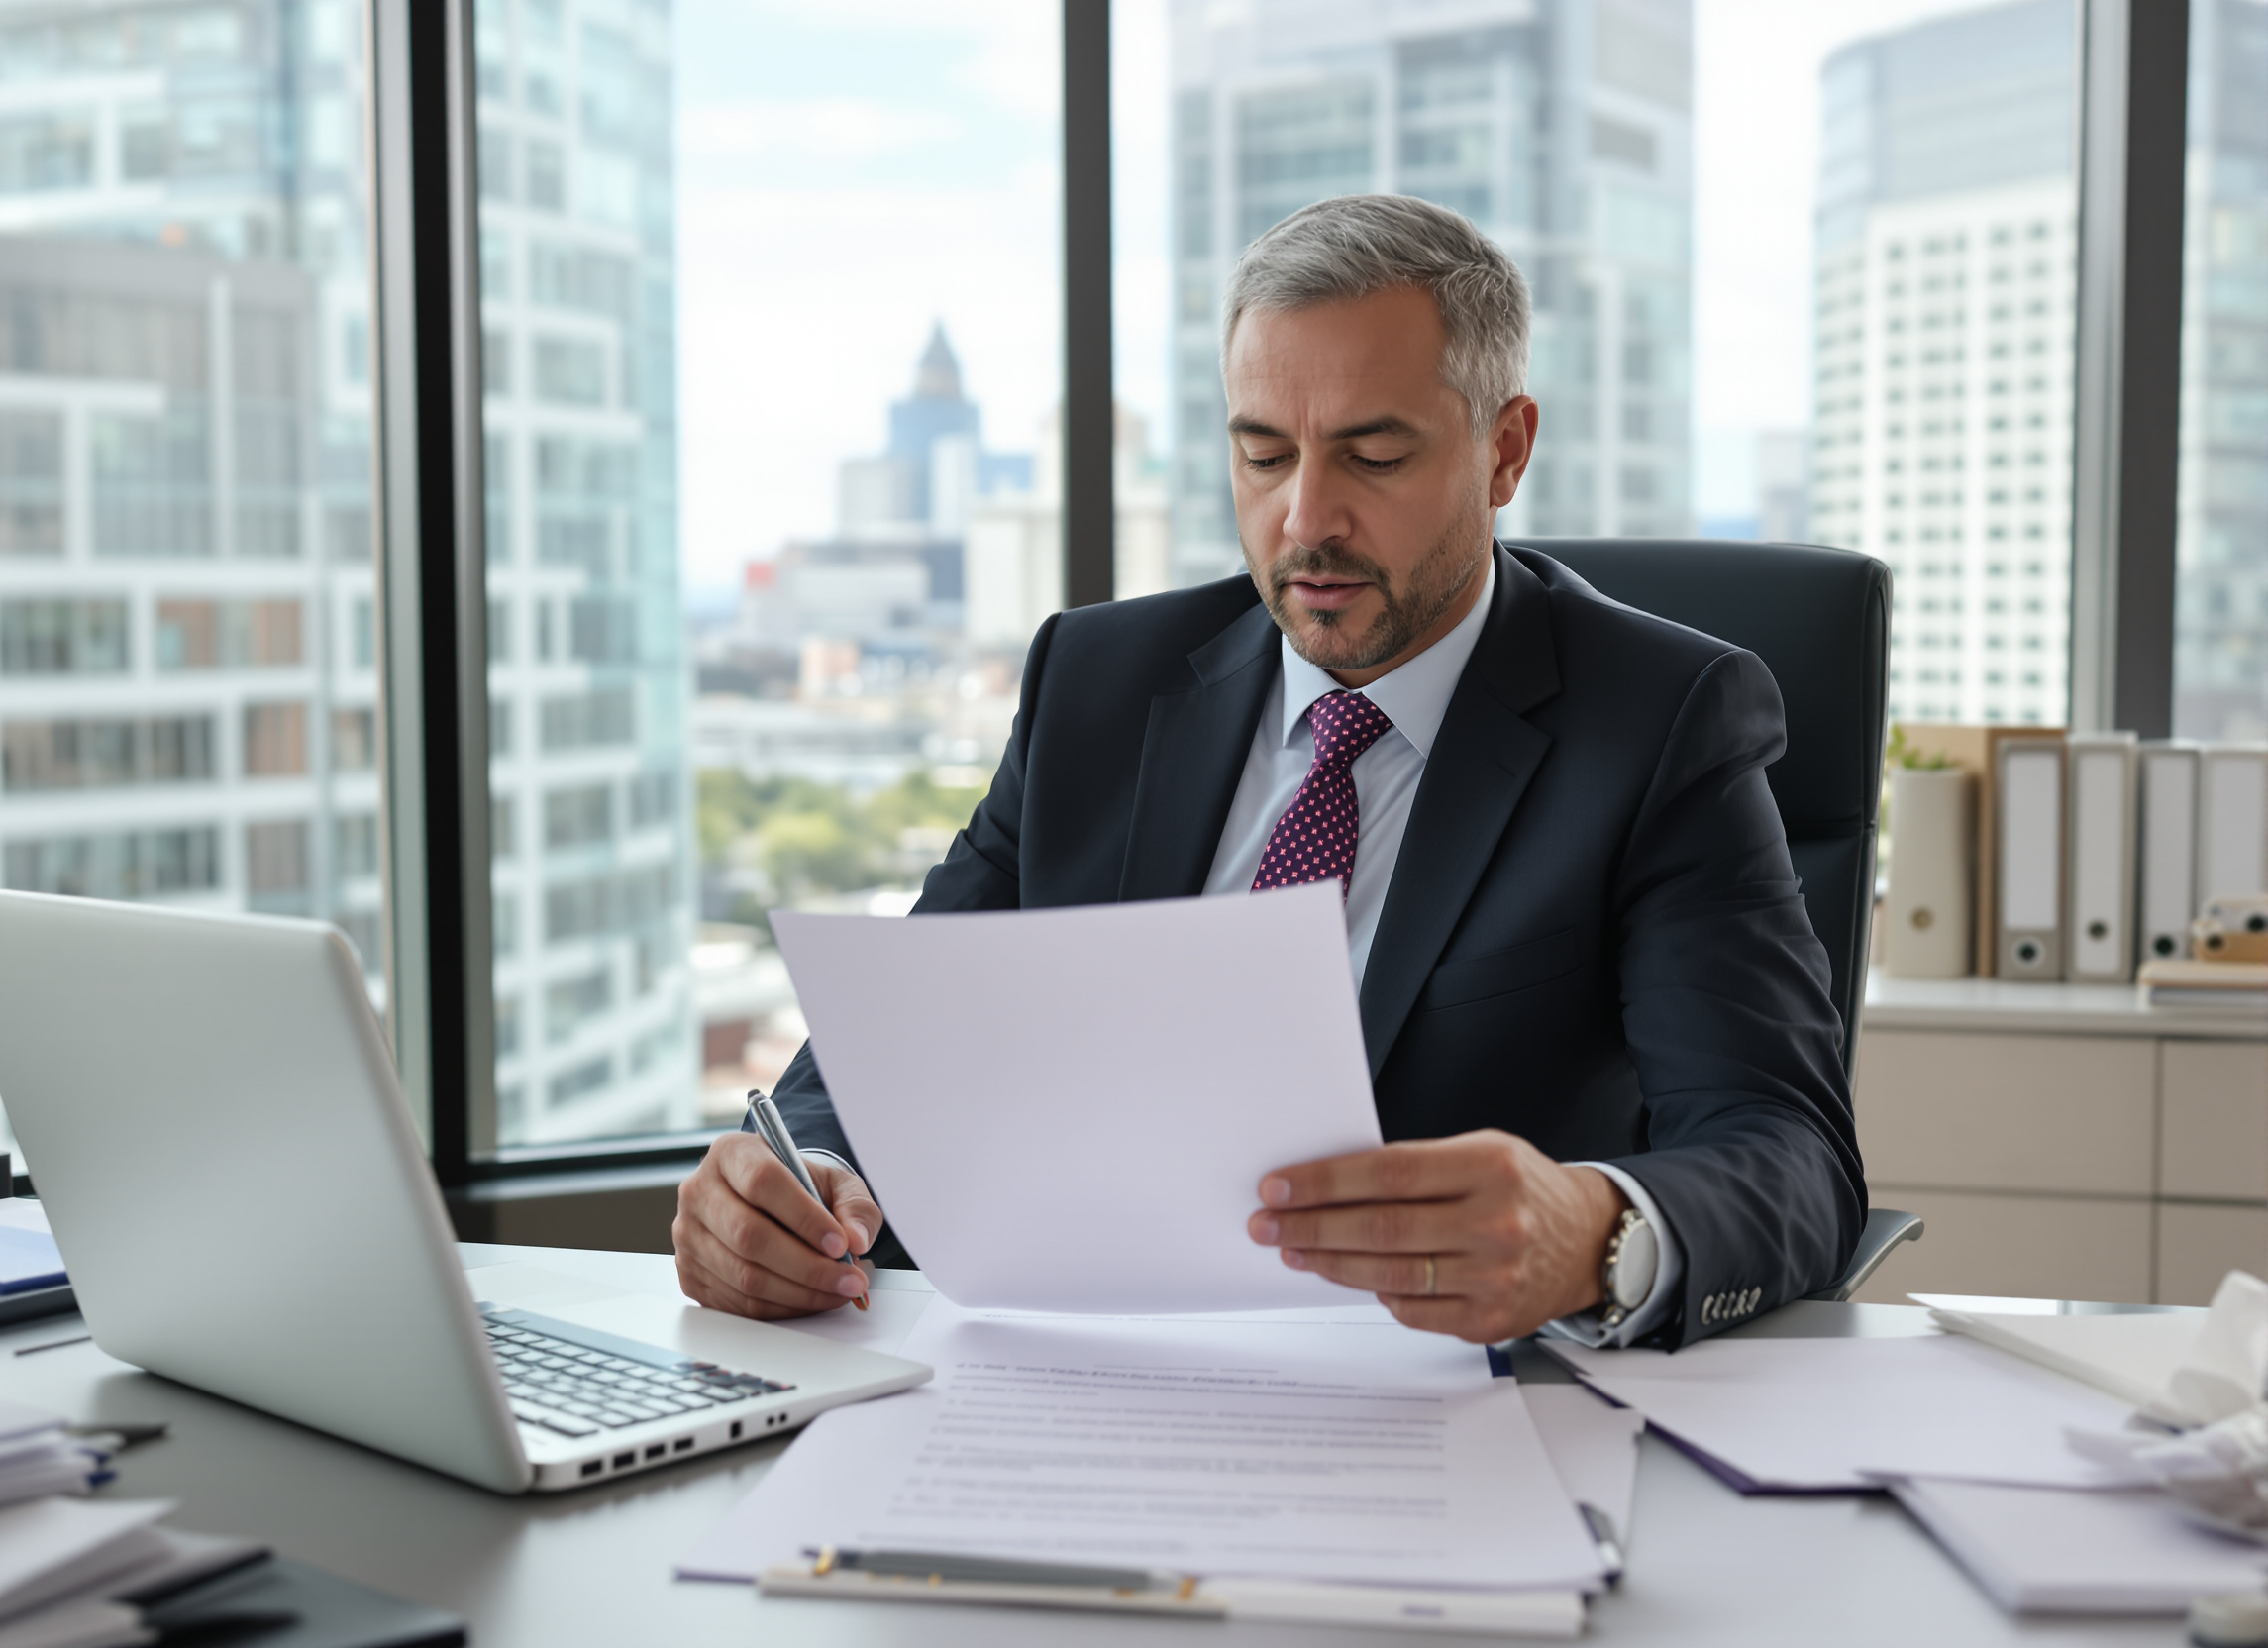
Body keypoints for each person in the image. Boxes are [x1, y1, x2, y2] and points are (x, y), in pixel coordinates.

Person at [673, 194, 1865, 1349]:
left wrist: (1594, 1232)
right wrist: (800, 1174)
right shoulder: (1098, 680)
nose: (1305, 518)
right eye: (1261, 453)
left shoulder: (1660, 723)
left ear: (1504, 451)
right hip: (1084, 1375)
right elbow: (906, 1030)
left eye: (1375, 455)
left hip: (1458, 1419)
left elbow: (1788, 1154)